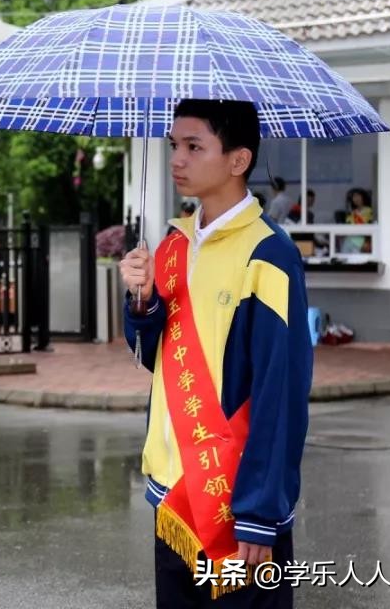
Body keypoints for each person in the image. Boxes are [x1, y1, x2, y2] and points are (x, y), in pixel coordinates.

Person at [119, 99, 312, 607]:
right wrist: (140, 303)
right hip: (173, 488)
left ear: (238, 159)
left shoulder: (269, 254)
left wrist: (259, 511)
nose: (177, 159)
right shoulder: (172, 247)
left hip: (234, 498)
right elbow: (148, 356)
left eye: (194, 146)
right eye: (173, 146)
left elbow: (281, 393)